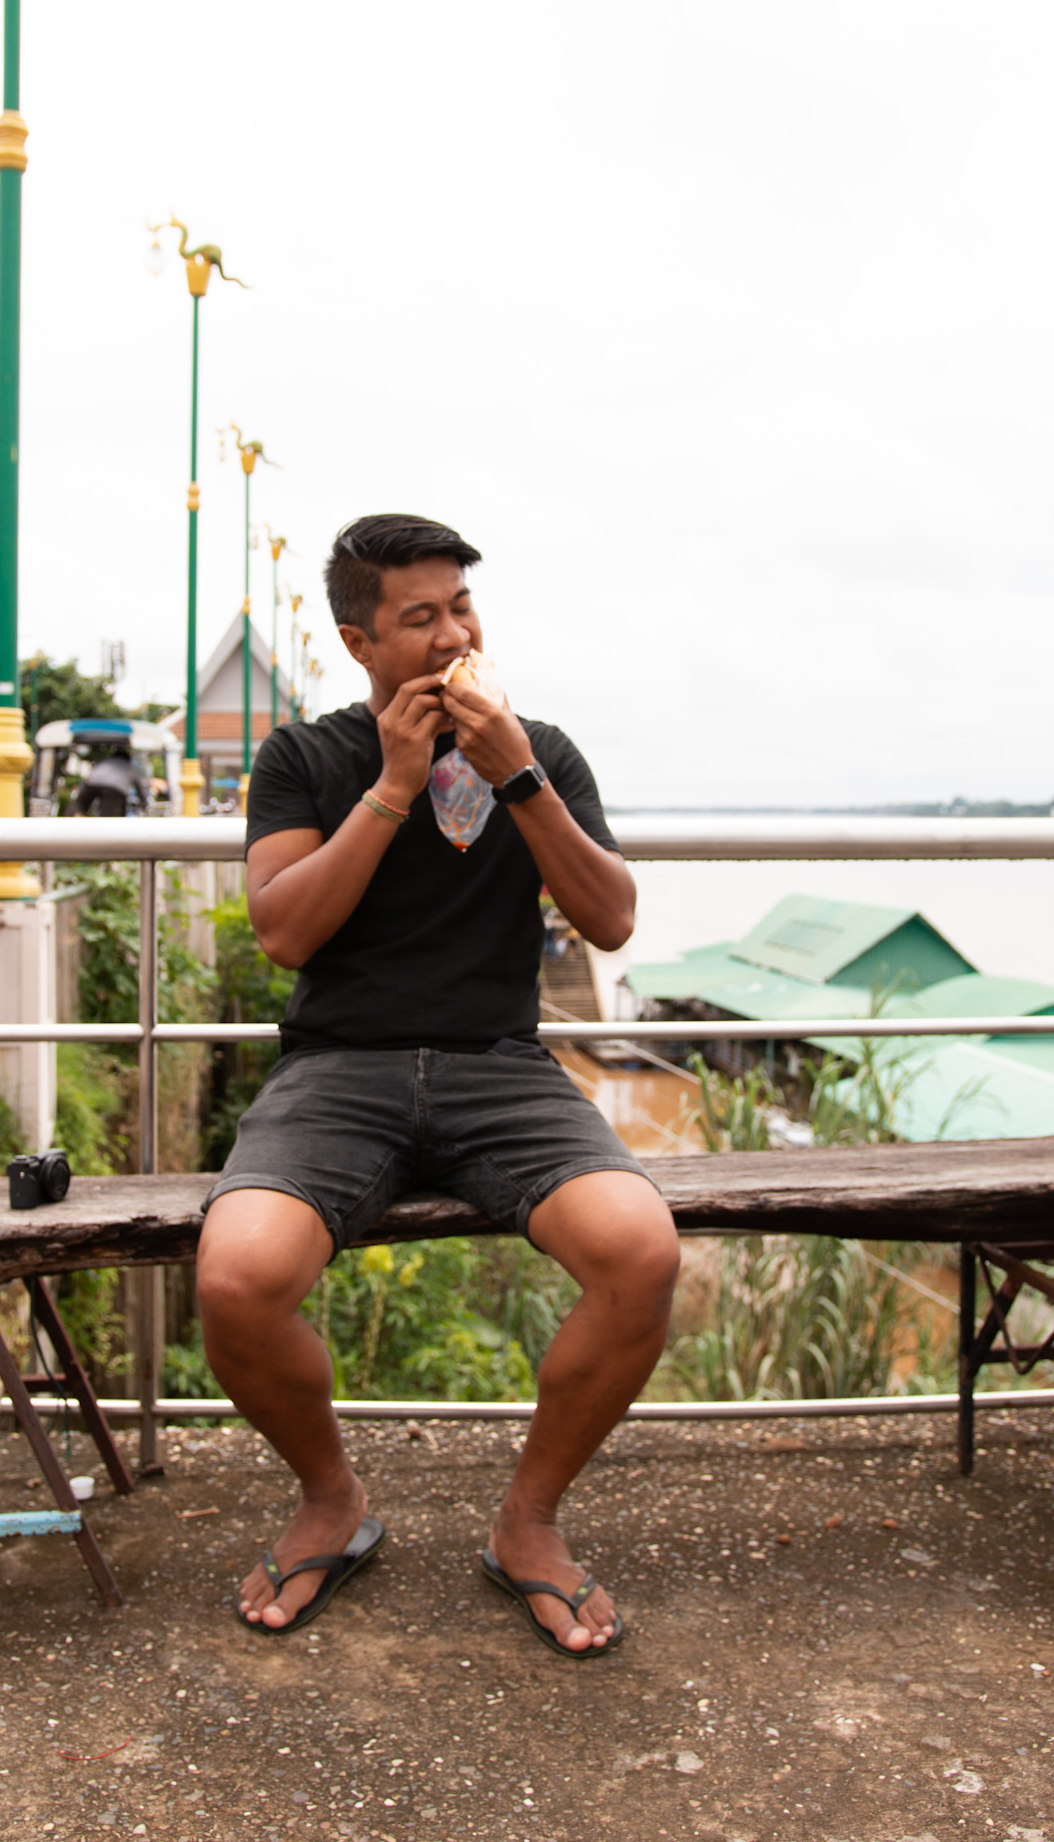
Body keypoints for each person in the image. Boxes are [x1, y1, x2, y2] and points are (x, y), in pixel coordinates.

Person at [196, 513, 680, 1657]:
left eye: (461, 607)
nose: (453, 633)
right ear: (360, 640)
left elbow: (609, 918)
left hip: (500, 1068)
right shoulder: (302, 759)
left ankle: (528, 1521)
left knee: (641, 1250)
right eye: (421, 617)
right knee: (235, 1276)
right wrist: (398, 781)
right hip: (339, 1069)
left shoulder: (541, 749)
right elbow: (284, 932)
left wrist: (515, 775)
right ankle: (331, 1498)